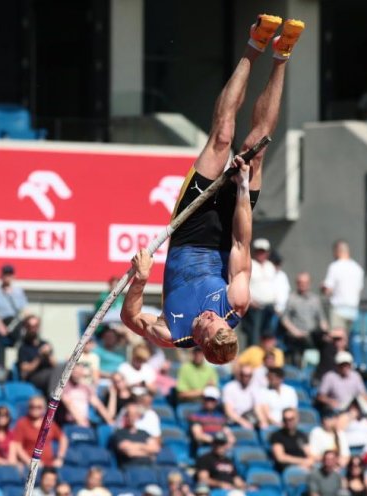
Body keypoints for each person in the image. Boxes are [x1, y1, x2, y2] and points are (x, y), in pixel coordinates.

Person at [121, 15, 306, 365]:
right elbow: (241, 243)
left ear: (201, 344)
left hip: (188, 231)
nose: (210, 317)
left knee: (222, 139)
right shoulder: (235, 303)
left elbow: (131, 319)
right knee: (256, 149)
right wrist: (241, 188)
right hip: (228, 232)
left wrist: (140, 281)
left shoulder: (170, 333)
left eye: (207, 325)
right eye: (217, 321)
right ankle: (274, 52)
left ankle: (257, 47)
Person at [0, 264, 28, 366]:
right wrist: (0, 326)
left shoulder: (18, 292)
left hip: (15, 323)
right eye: (5, 274)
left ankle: (23, 365)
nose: (7, 277)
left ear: (13, 276)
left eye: (9, 275)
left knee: (26, 336)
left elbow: (25, 310)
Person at [280, 271, 327, 366]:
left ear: (309, 283)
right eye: (300, 282)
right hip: (297, 336)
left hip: (312, 336)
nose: (302, 285)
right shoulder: (291, 299)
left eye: (305, 282)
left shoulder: (315, 299)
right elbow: (285, 319)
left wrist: (325, 331)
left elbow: (322, 319)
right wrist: (295, 332)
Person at [322, 240, 364, 332]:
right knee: (349, 341)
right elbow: (359, 289)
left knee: (338, 341)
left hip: (338, 310)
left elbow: (327, 290)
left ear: (337, 251)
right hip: (353, 310)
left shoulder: (335, 266)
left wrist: (322, 288)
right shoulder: (358, 268)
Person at [15, 396, 68, 468]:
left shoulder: (49, 422)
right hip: (30, 465)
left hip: (49, 465)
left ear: (44, 409)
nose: (35, 409)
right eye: (32, 406)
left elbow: (63, 438)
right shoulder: (22, 423)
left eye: (38, 407)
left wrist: (60, 458)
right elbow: (17, 446)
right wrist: (30, 462)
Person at [243, 238, 277, 344]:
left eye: (263, 251)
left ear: (267, 253)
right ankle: (254, 357)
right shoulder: (249, 264)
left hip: (269, 306)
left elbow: (275, 284)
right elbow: (243, 285)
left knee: (268, 334)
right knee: (254, 335)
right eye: (259, 251)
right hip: (255, 307)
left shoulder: (270, 266)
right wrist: (250, 301)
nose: (261, 254)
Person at [109, 403, 160, 470]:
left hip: (149, 469)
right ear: (125, 417)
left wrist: (134, 446)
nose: (132, 418)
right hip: (131, 469)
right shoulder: (119, 433)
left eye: (134, 415)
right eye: (129, 415)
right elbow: (129, 452)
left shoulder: (144, 433)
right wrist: (147, 453)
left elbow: (155, 448)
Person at [17, 315, 57, 393]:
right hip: (34, 377)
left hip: (50, 374)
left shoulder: (45, 344)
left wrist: (48, 355)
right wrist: (39, 356)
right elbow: (25, 369)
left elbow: (55, 365)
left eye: (35, 326)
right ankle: (53, 399)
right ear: (26, 328)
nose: (33, 329)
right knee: (52, 376)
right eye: (30, 326)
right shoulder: (23, 347)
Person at [269, 407, 314, 473]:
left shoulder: (301, 435)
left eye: (291, 419)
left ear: (297, 419)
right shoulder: (277, 436)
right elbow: (280, 457)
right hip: (288, 467)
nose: (288, 422)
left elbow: (309, 453)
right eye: (285, 419)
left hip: (304, 465)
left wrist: (309, 461)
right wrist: (302, 461)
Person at [222, 364, 262, 429]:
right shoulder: (229, 387)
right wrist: (243, 422)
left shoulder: (255, 388)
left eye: (249, 375)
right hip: (234, 422)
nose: (246, 378)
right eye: (243, 375)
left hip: (249, 419)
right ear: (239, 375)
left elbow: (257, 408)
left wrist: (262, 421)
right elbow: (229, 411)